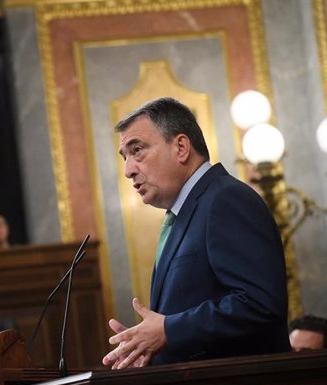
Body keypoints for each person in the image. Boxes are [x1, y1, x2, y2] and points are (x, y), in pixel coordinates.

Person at [102, 97, 290, 368]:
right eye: (125, 157)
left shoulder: (226, 199)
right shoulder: (183, 215)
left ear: (180, 147)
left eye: (137, 150)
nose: (128, 170)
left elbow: (259, 304)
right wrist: (146, 348)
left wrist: (168, 330)